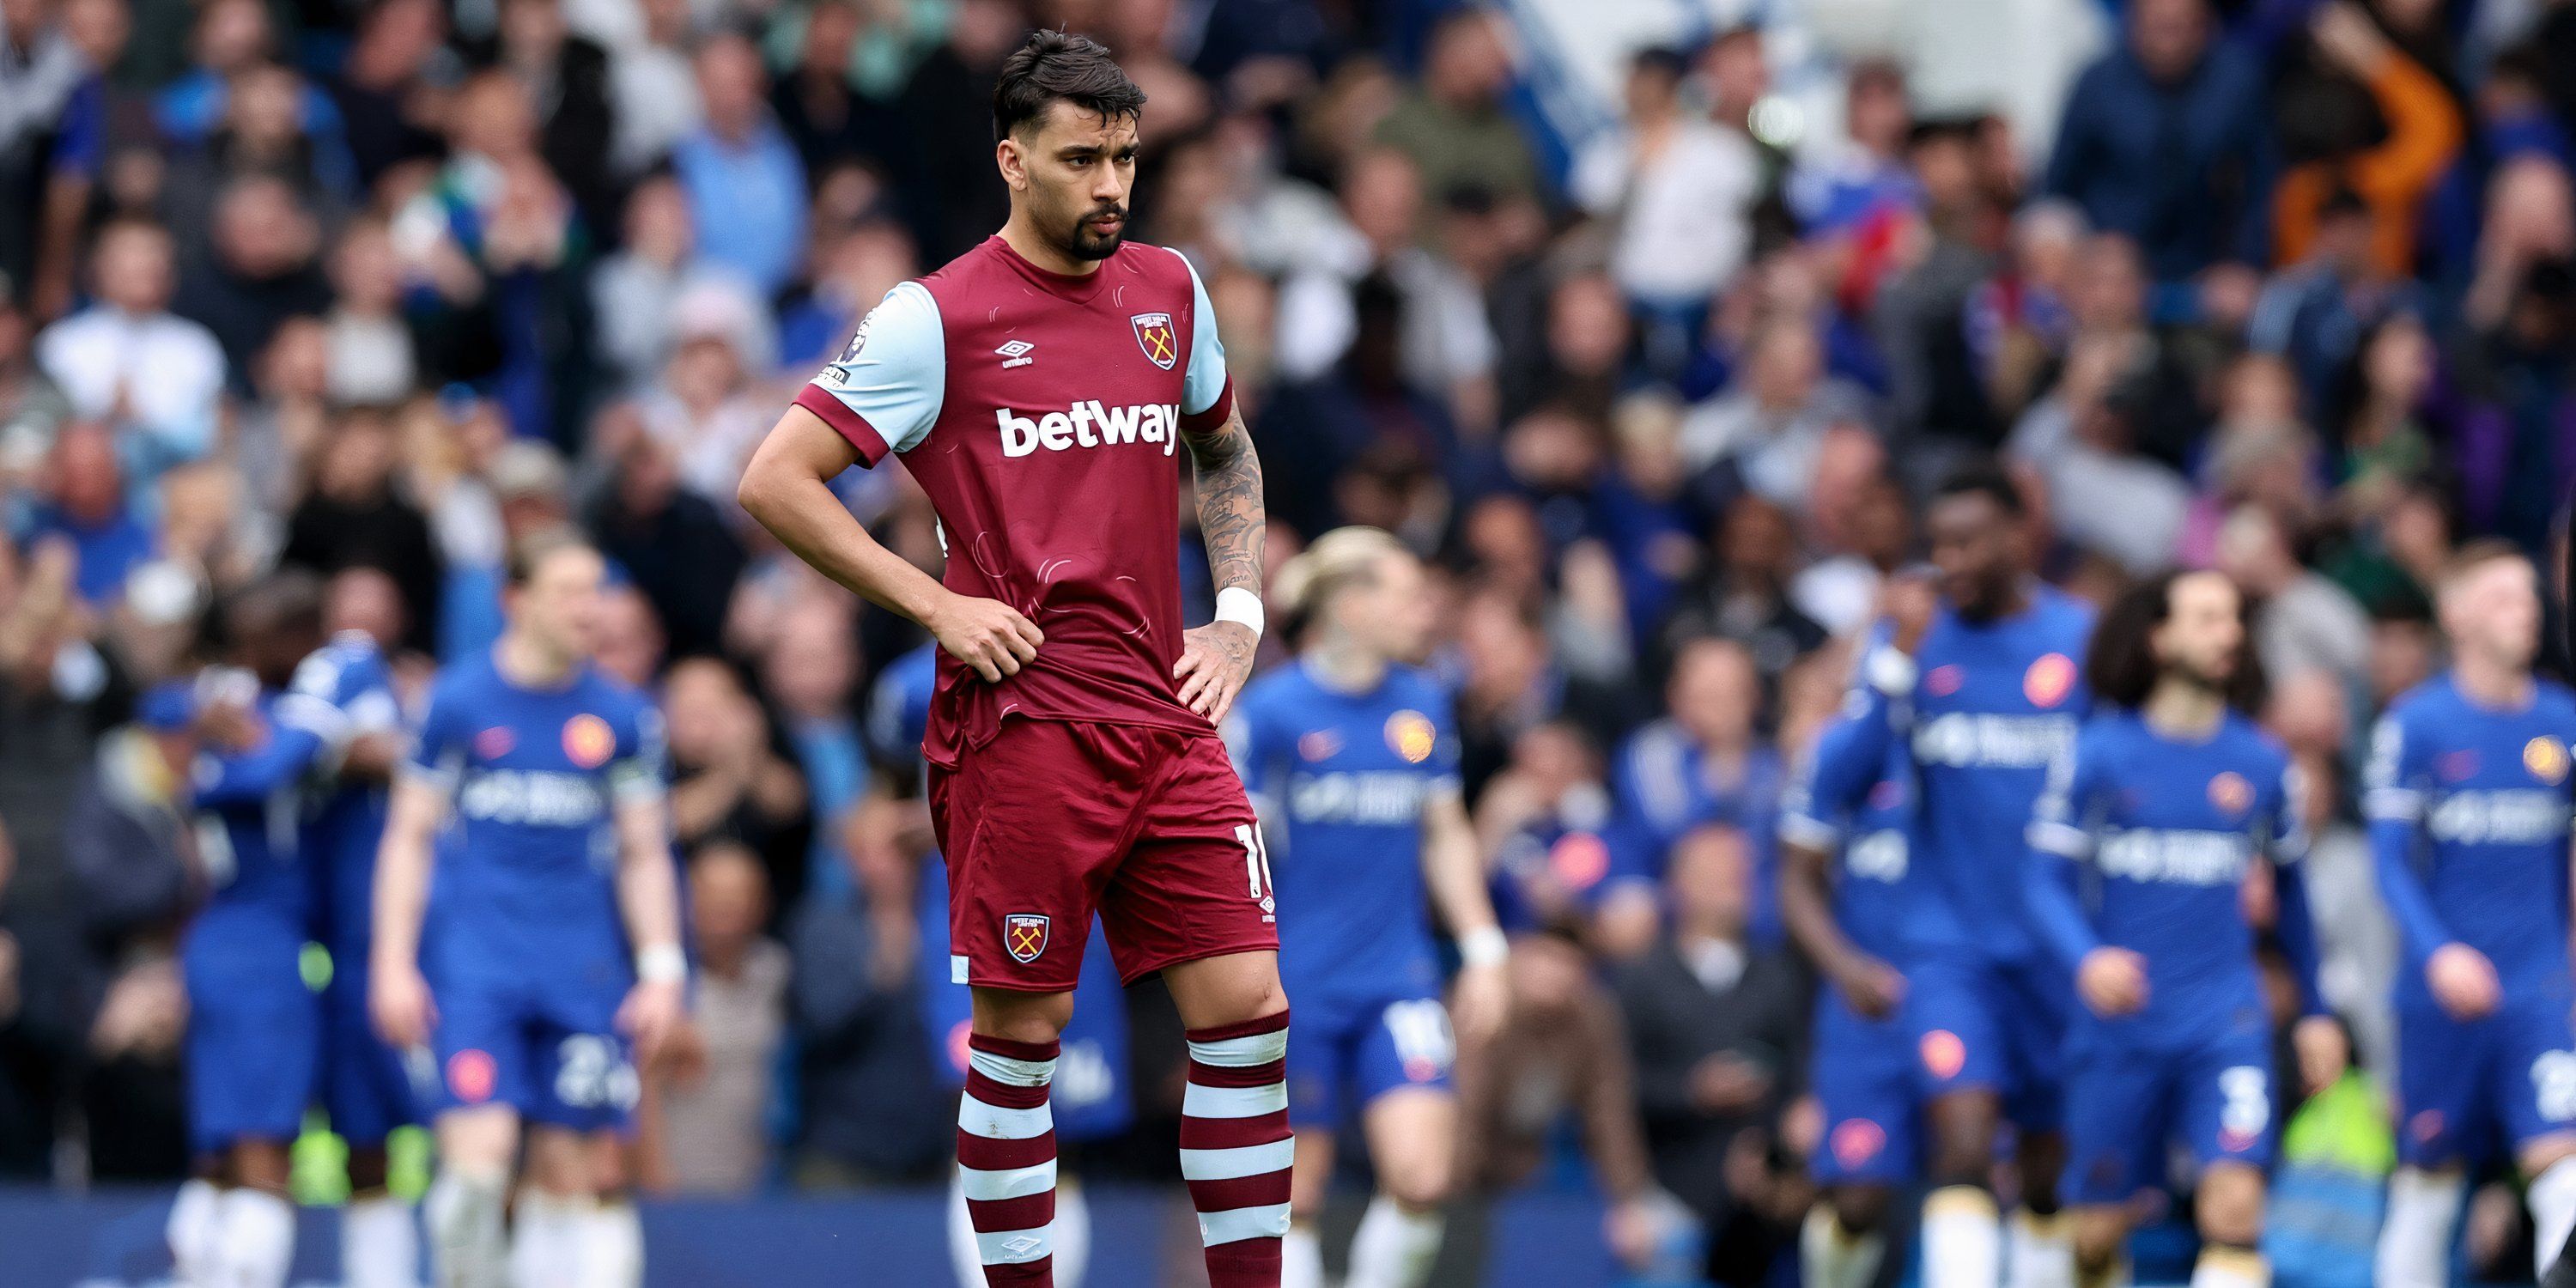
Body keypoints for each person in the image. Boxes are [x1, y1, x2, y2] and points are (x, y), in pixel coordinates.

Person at [736, 32, 1286, 1287]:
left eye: (1127, 158)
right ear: (1012, 159)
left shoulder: (1171, 292)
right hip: (1022, 728)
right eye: (1082, 158)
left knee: (1248, 1013)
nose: (1110, 185)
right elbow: (775, 478)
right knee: (1022, 1043)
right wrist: (934, 603)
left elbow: (1227, 449)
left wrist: (1241, 612)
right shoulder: (936, 318)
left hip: (1165, 710)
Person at [369, 530, 687, 1288]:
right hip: (477, 965)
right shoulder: (457, 701)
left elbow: (645, 853)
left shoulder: (623, 716)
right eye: (570, 591)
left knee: (575, 1175)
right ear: (515, 600)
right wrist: (391, 964)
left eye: (597, 590)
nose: (592, 609)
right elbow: (407, 838)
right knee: (476, 1174)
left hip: (584, 967)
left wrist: (663, 970)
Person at [2023, 569, 2343, 1288]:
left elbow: (2293, 896)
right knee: (2098, 1233)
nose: (2228, 634)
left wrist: (2316, 1013)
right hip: (2121, 1022)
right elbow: (2040, 884)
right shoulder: (2099, 754)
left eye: (2233, 619)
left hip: (2222, 1018)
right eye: (2206, 619)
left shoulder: (2261, 764)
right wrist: (2086, 959)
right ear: (2159, 638)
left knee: (2235, 1208)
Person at [1227, 528, 1510, 1288]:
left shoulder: (1423, 705)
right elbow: (1233, 853)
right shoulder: (1273, 713)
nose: (1427, 610)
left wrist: (1484, 949)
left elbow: (1443, 833)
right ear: (1350, 603)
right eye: (1407, 593)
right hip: (1297, 984)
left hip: (1398, 976)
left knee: (1423, 1180)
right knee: (1298, 1197)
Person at [1838, 465, 2095, 1288]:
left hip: (2058, 946)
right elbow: (1840, 782)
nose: (1949, 560)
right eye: (1937, 543)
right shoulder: (1914, 641)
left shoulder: (2081, 641)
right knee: (1964, 1139)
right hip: (1951, 945)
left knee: (2053, 1166)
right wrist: (1891, 664)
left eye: (1968, 541)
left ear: (2019, 539)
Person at [867, 639, 1134, 1287]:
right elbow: (884, 803)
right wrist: (891, 914)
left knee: (1058, 1127)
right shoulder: (912, 682)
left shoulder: (1105, 653)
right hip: (965, 921)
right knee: (987, 1109)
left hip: (1079, 923)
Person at [2366, 541, 2576, 1287]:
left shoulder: (2564, 721)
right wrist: (2439, 953)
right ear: (2455, 614)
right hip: (2439, 996)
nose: (2526, 614)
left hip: (2540, 986)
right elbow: (2389, 862)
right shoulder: (2415, 725)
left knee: (2564, 1171)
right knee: (2428, 1182)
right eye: (2503, 599)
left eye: (2531, 599)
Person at [170, 572, 337, 1288]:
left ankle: (198, 1270)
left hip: (216, 941)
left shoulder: (215, 716)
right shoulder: (257, 722)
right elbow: (274, 766)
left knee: (220, 1150)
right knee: (264, 1142)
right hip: (260, 945)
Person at [1776, 639, 1928, 1288]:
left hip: (1971, 988)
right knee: (1857, 1193)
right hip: (1867, 1005)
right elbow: (1796, 883)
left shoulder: (1981, 755)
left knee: (1981, 1174)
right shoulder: (1846, 761)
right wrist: (1845, 968)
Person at [293, 567, 420, 1288]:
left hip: (408, 940)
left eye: (378, 605)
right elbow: (337, 750)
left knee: (454, 1123)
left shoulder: (423, 691)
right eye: (349, 605)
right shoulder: (320, 687)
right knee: (356, 1124)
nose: (361, 622)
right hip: (335, 940)